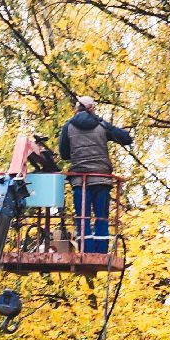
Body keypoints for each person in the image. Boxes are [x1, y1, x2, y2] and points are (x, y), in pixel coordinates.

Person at [57, 95, 131, 254]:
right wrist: (103, 123)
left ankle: (86, 251)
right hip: (101, 179)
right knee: (101, 217)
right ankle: (101, 252)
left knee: (82, 217)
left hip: (79, 180)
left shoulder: (68, 127)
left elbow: (64, 154)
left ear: (77, 109)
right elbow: (126, 139)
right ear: (91, 108)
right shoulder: (102, 125)